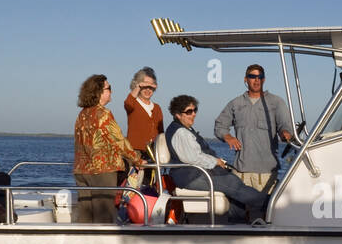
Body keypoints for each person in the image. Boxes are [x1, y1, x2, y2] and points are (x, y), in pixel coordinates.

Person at [167, 94, 269, 223]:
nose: (193, 114)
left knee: (233, 183)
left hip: (195, 174)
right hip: (192, 177)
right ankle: (272, 204)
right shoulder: (181, 133)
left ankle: (237, 222)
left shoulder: (185, 129)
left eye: (194, 110)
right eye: (189, 112)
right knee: (234, 185)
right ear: (177, 114)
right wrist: (215, 161)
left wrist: (216, 162)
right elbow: (193, 158)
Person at [74, 74, 147, 223]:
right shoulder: (103, 114)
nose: (111, 91)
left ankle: (84, 238)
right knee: (104, 216)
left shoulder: (82, 114)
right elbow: (119, 141)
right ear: (98, 92)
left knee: (85, 216)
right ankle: (104, 239)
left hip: (82, 170)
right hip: (102, 170)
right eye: (109, 88)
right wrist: (137, 160)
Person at [213, 63, 294, 195]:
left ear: (264, 80)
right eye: (252, 77)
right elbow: (219, 125)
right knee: (237, 207)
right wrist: (227, 136)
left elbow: (285, 126)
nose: (256, 80)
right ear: (246, 79)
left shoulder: (276, 102)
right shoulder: (235, 103)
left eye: (260, 77)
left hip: (266, 174)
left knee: (264, 207)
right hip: (240, 172)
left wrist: (285, 134)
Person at [123, 66, 165, 156]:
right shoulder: (133, 103)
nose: (148, 90)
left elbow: (161, 133)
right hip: (136, 152)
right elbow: (128, 103)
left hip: (154, 152)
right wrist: (139, 86)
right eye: (145, 86)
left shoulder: (157, 108)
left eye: (151, 87)